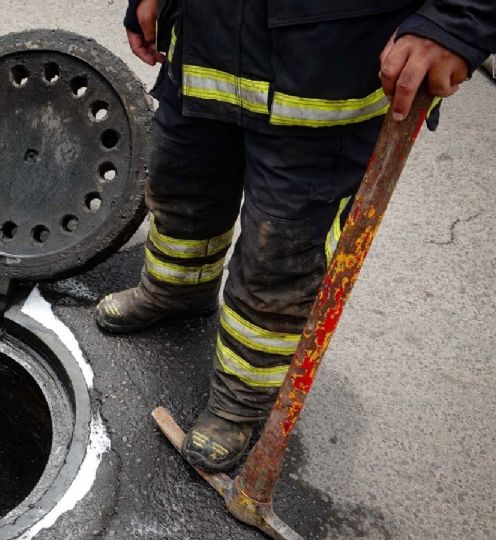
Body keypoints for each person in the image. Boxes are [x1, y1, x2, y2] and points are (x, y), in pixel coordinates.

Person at [99, 0, 496, 472]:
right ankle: (178, 291)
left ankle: (241, 398)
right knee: (180, 190)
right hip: (204, 43)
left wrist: (456, 22)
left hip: (327, 67)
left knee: (280, 253)